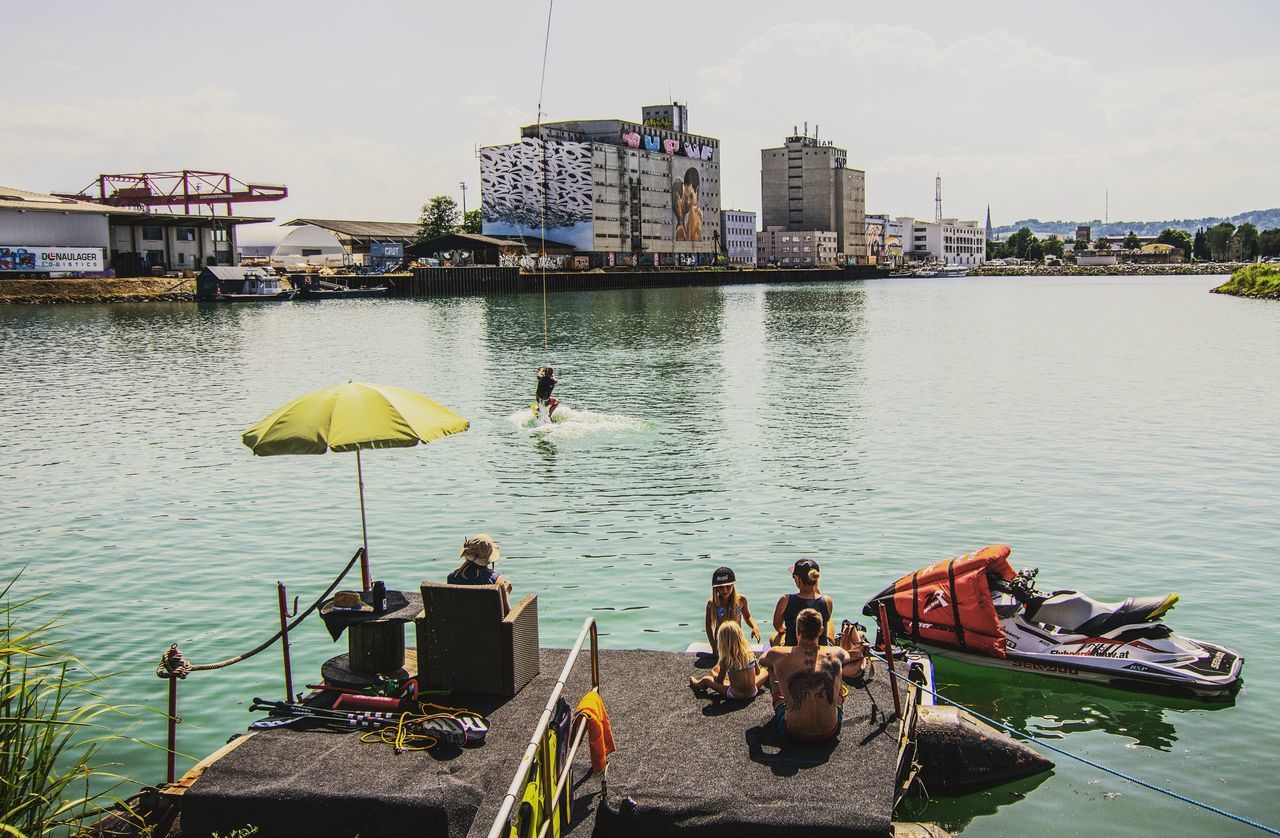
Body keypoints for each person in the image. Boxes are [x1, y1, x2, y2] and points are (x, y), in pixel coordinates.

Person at [758, 608, 868, 741]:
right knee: (837, 678)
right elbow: (849, 656)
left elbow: (762, 660)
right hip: (830, 730)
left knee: (772, 670)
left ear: (797, 631)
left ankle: (781, 701)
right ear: (821, 631)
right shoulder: (836, 653)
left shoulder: (777, 654)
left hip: (793, 732)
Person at [690, 621, 769, 701]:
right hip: (752, 692)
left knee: (706, 679)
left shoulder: (726, 659)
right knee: (764, 671)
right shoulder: (749, 654)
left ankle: (699, 684)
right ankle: (741, 684)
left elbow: (720, 680)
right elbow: (758, 673)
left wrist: (713, 673)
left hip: (735, 694)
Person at [772, 559, 835, 646]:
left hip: (793, 647)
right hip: (820, 647)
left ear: (797, 579)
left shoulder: (785, 600)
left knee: (774, 637)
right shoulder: (827, 601)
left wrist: (785, 631)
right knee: (828, 620)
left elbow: (777, 626)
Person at [447, 534, 511, 614]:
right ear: (489, 556)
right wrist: (506, 591)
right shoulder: (496, 579)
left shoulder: (452, 577)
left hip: (458, 625)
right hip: (488, 625)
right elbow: (506, 612)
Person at [704, 566, 761, 649]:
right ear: (715, 588)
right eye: (720, 587)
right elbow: (708, 626)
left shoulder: (741, 600)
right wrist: (713, 646)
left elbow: (748, 616)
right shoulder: (712, 604)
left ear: (733, 585)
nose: (725, 590)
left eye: (728, 586)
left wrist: (755, 627)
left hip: (737, 639)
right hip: (721, 641)